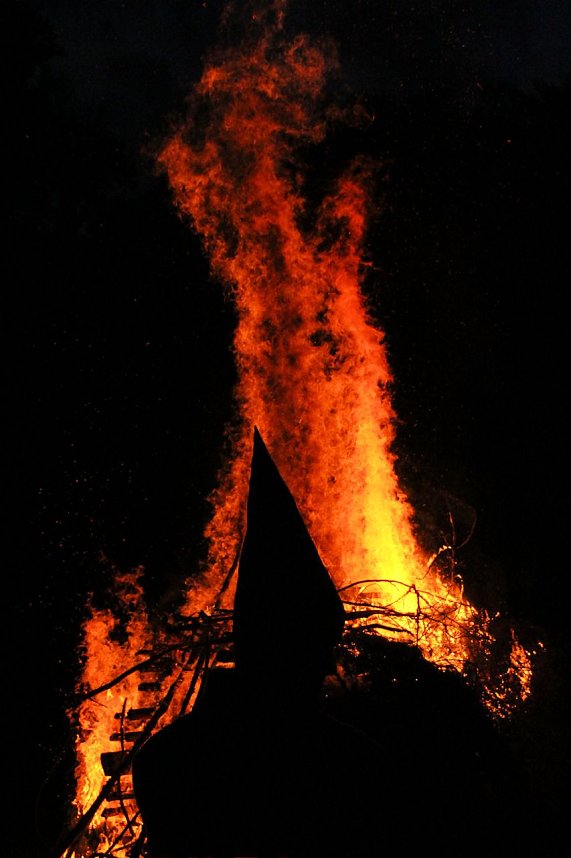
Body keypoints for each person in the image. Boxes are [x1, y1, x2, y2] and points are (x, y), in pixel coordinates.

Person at [132, 428, 408, 857]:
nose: (325, 667)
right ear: (283, 651)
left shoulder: (164, 763)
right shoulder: (352, 769)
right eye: (316, 648)